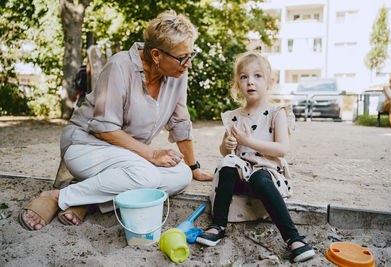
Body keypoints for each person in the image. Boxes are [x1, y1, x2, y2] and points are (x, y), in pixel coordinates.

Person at [19, 10, 212, 231]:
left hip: (128, 156)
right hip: (86, 146)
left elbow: (180, 122)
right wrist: (152, 154)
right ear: (157, 55)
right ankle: (58, 196)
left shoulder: (178, 73)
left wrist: (193, 167)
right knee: (146, 176)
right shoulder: (120, 66)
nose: (188, 64)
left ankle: (89, 199)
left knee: (180, 175)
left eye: (191, 55)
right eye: (182, 57)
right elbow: (104, 129)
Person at [196, 52, 315, 262]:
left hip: (267, 177)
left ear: (269, 82)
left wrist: (248, 141)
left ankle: (293, 238)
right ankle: (218, 225)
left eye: (257, 76)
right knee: (227, 164)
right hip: (242, 179)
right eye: (243, 76)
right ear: (237, 84)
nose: (250, 81)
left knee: (260, 176)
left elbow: (281, 149)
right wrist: (227, 145)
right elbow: (225, 151)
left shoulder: (277, 113)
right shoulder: (234, 117)